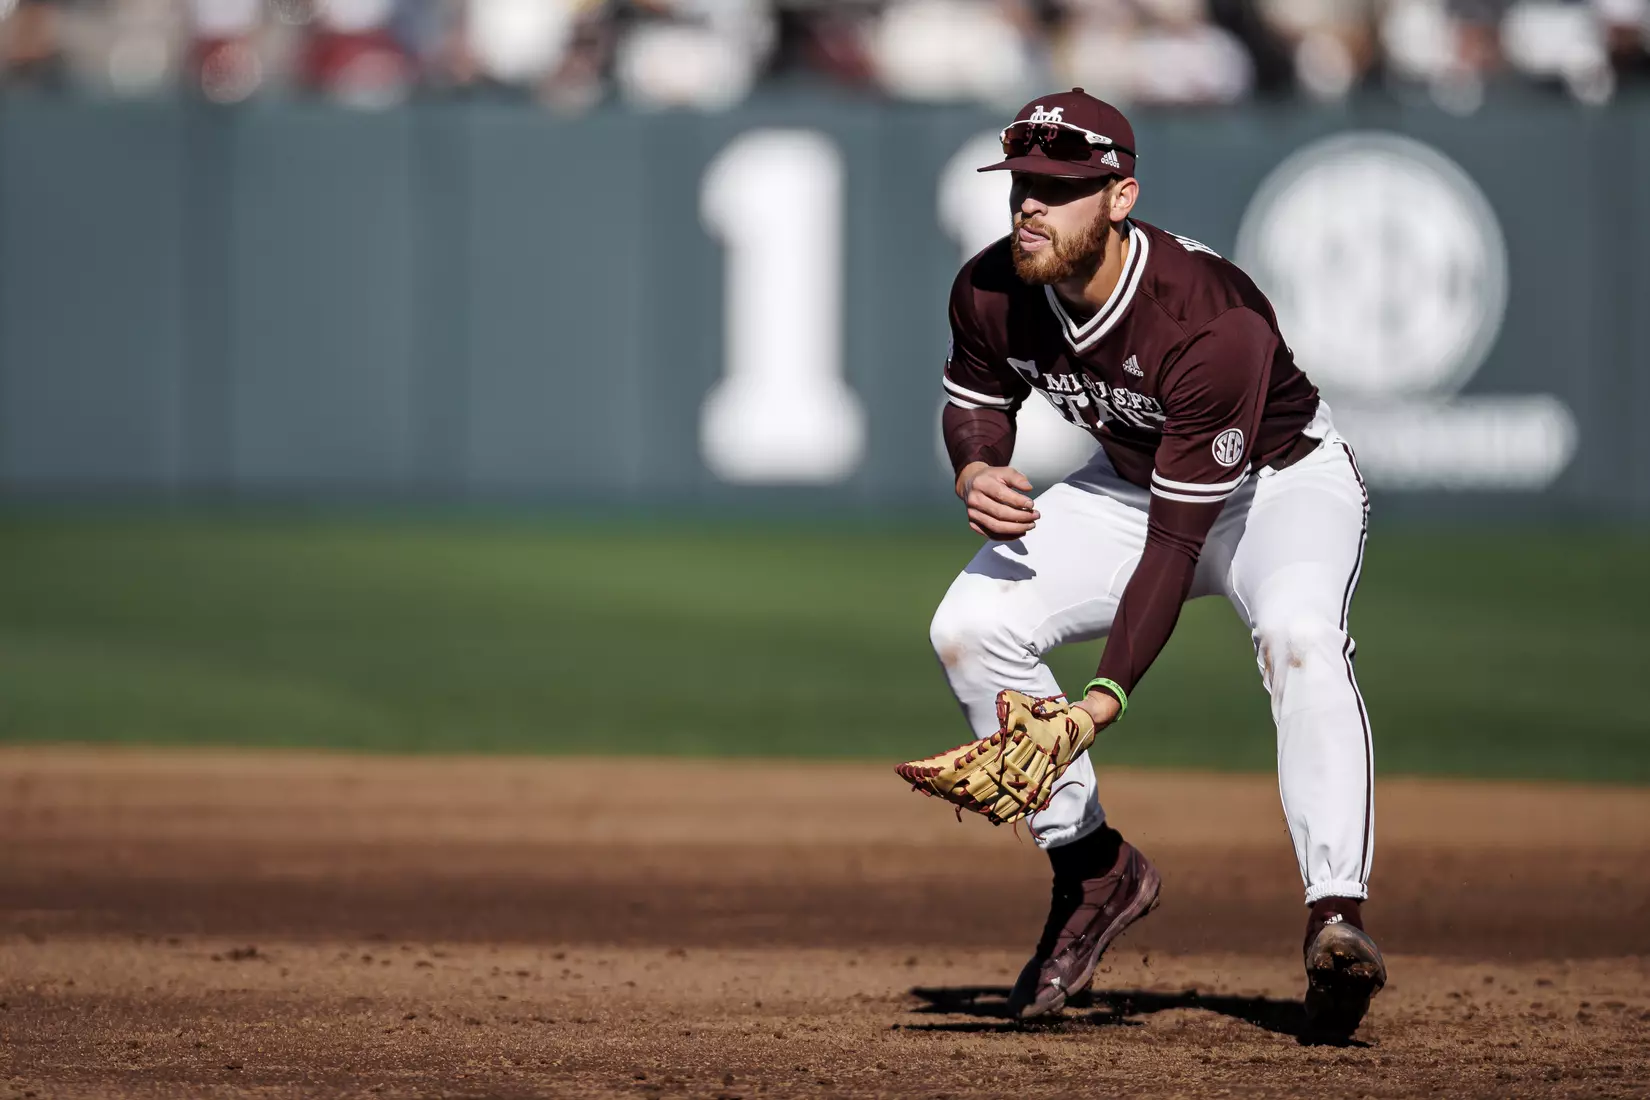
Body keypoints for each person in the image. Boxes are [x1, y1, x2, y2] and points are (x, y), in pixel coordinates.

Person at [927, 88, 1384, 1039]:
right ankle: (1093, 870)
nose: (1029, 205)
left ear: (1120, 198)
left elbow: (1179, 545)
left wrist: (1099, 702)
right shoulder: (992, 288)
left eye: (1058, 187)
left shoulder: (1209, 321)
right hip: (1130, 484)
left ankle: (1335, 918)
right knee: (968, 631)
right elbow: (975, 397)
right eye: (1022, 183)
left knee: (1300, 638)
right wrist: (974, 460)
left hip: (1278, 488)